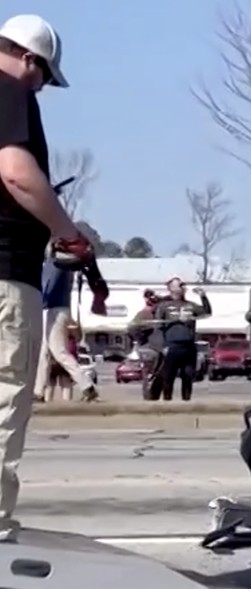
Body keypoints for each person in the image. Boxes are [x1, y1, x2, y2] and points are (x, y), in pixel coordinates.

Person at [0, 14, 86, 541]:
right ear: (29, 60)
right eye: (44, 77)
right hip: (5, 274)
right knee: (4, 395)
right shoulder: (9, 88)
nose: (41, 88)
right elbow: (15, 171)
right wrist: (66, 230)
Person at [33, 256, 99, 403]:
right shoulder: (60, 263)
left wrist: (38, 301)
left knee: (58, 351)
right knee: (45, 352)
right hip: (56, 309)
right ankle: (38, 391)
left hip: (53, 309)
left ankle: (87, 386)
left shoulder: (55, 263)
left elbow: (49, 287)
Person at [156, 277, 212, 401]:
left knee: (187, 376)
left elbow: (207, 313)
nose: (182, 287)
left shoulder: (190, 305)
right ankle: (167, 403)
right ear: (171, 288)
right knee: (168, 376)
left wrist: (203, 296)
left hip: (189, 346)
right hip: (171, 346)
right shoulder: (164, 306)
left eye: (183, 285)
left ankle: (186, 403)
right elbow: (158, 327)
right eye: (179, 285)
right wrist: (162, 346)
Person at [128, 289, 167, 400]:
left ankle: (153, 398)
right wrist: (141, 339)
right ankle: (149, 399)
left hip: (160, 349)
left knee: (158, 376)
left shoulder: (160, 314)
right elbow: (131, 329)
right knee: (150, 376)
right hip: (149, 348)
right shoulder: (144, 313)